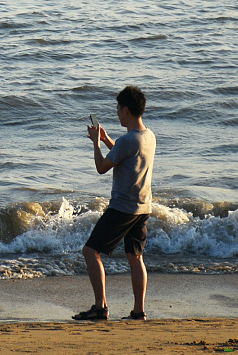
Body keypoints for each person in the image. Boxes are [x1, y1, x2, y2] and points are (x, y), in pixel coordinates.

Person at [73, 85, 156, 322]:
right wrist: (107, 138)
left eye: (119, 109)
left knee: (90, 251)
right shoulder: (148, 136)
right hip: (143, 207)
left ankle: (100, 308)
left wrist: (95, 143)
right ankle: (139, 311)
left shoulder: (127, 141)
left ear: (126, 110)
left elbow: (102, 167)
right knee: (135, 257)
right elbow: (124, 155)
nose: (118, 113)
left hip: (123, 207)